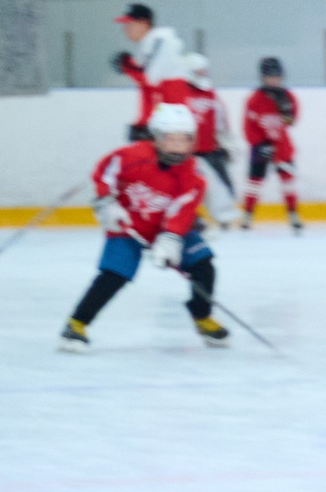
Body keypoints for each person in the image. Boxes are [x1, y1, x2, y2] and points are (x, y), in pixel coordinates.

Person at [58, 102, 227, 352]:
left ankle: (202, 316)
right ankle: (77, 324)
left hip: (166, 228)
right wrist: (107, 202)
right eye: (172, 140)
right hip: (127, 225)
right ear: (157, 138)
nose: (179, 147)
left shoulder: (193, 175)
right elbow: (105, 173)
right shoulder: (132, 156)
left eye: (185, 140)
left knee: (204, 266)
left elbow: (182, 210)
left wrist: (170, 239)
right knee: (114, 275)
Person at [170, 54, 240, 227]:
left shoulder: (210, 95)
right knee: (185, 187)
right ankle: (191, 216)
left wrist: (227, 145)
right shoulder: (179, 93)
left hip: (210, 150)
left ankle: (225, 216)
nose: (203, 74)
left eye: (204, 71)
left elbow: (221, 122)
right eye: (199, 72)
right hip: (186, 151)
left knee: (222, 186)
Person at [110, 4, 188, 144]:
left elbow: (150, 78)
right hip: (159, 120)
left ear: (143, 23)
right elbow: (148, 84)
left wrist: (127, 66)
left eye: (129, 24)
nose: (125, 29)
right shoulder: (147, 44)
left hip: (170, 124)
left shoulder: (161, 40)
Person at [240, 57, 301, 232]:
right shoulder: (255, 99)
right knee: (254, 182)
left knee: (288, 181)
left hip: (282, 146)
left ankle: (293, 213)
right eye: (270, 76)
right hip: (260, 147)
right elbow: (248, 126)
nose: (274, 79)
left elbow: (292, 120)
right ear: (263, 77)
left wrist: (287, 112)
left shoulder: (287, 96)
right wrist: (259, 144)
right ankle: (248, 214)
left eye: (277, 76)